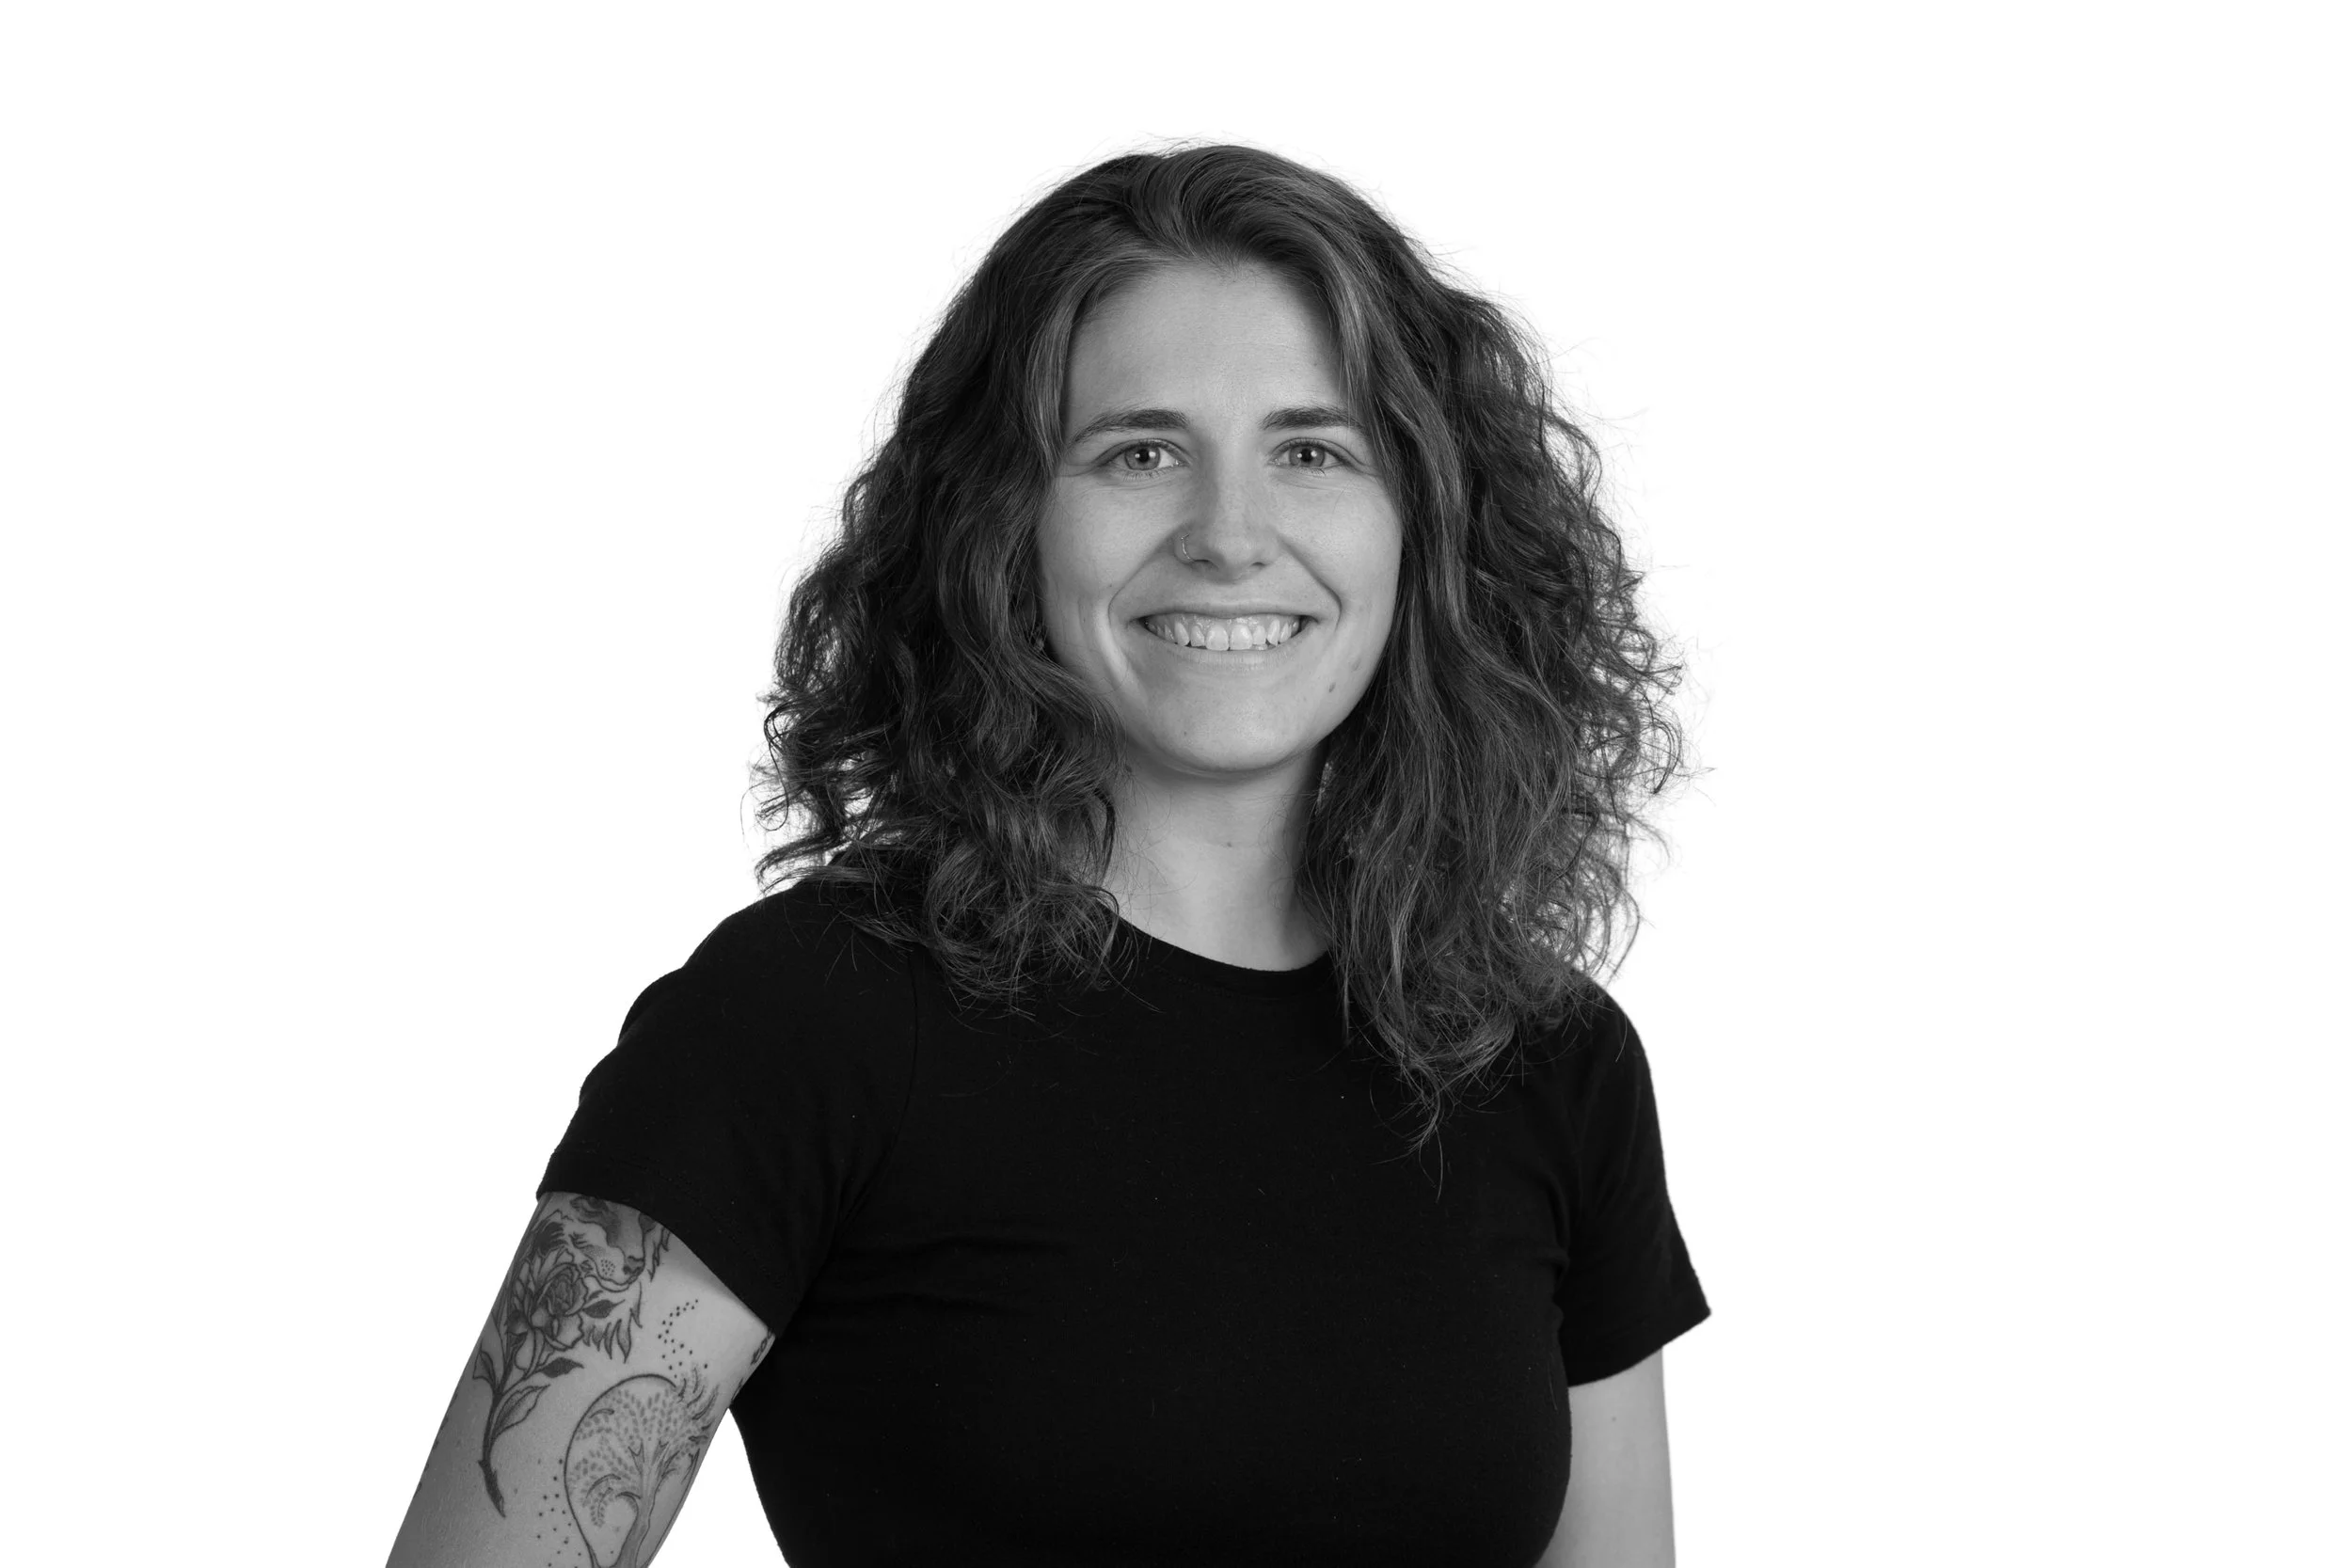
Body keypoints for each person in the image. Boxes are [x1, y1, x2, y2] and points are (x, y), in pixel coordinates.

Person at [389, 141, 1708, 1568]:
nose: (1227, 535)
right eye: (1140, 453)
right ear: (1004, 523)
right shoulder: (805, 1018)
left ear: (1427, 529)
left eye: (1313, 451)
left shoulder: (1546, 1059)